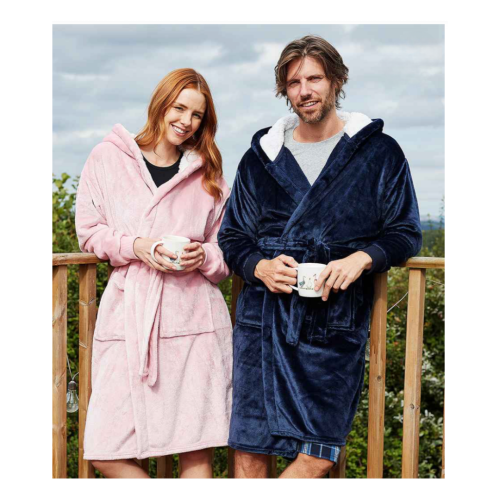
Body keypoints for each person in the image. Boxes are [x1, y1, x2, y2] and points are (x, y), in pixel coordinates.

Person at [218, 35, 422, 478]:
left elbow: (406, 232)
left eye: (314, 79)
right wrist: (258, 266)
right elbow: (232, 236)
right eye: (294, 82)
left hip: (332, 323)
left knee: (319, 453)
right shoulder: (260, 158)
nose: (304, 91)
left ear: (337, 80)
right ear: (284, 90)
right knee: (251, 449)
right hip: (264, 322)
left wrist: (363, 258)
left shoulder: (377, 153)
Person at [75, 68, 233, 478]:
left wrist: (204, 256)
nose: (186, 121)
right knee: (104, 449)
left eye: (197, 115)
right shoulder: (109, 158)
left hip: (193, 321)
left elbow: (226, 251)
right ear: (160, 105)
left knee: (195, 450)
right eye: (179, 108)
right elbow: (88, 231)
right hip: (130, 318)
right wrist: (137, 247)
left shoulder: (207, 173)